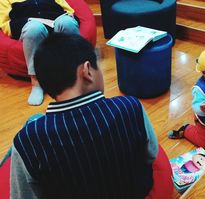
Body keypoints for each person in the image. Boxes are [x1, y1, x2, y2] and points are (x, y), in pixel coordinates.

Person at [10, 33, 173, 199]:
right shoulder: (131, 106)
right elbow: (151, 154)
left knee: (33, 121)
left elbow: (22, 195)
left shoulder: (27, 140)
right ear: (87, 71)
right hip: (134, 191)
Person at [0, 0, 80, 106]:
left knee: (68, 22)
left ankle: (74, 72)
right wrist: (30, 22)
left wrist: (68, 16)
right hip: (31, 30)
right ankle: (36, 82)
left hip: (56, 26)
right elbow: (4, 24)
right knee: (35, 27)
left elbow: (69, 10)